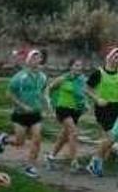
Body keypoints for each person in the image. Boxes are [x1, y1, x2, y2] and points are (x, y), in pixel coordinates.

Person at [0, 48, 48, 178]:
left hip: (35, 113)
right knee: (20, 142)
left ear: (41, 60)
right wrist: (23, 105)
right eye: (33, 57)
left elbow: (42, 92)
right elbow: (9, 93)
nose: (36, 60)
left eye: (38, 57)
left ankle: (30, 166)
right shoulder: (20, 77)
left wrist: (46, 104)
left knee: (37, 139)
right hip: (20, 114)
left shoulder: (42, 76)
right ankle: (5, 140)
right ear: (27, 61)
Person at [46, 59, 87, 172]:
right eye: (77, 65)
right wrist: (50, 103)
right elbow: (49, 89)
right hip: (62, 109)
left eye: (80, 66)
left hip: (76, 111)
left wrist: (85, 104)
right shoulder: (62, 79)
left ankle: (51, 157)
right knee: (73, 133)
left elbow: (84, 93)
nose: (79, 68)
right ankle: (74, 162)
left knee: (64, 136)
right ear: (71, 67)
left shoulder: (81, 80)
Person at [85, 46, 118, 177]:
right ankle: (95, 162)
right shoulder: (98, 73)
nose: (117, 59)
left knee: (110, 139)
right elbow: (87, 88)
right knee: (110, 137)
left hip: (117, 108)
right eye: (115, 56)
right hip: (104, 109)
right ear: (109, 57)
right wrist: (97, 98)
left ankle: (98, 164)